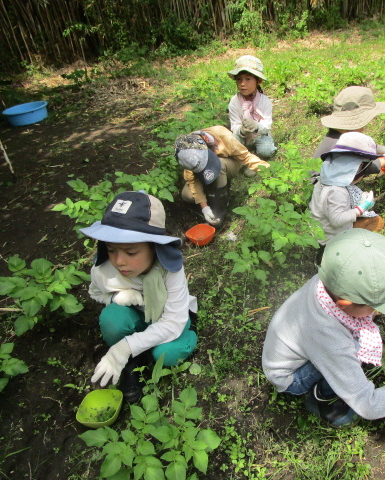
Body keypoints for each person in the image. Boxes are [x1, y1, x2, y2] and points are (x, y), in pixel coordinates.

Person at [262, 228, 385, 428]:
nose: (380, 310)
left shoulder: (335, 276)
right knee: (352, 353)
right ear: (346, 304)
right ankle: (322, 399)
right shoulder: (331, 340)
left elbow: (378, 282)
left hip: (306, 344)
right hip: (291, 377)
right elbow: (369, 405)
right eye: (378, 306)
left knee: (350, 349)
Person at [81, 191, 198, 403]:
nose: (119, 261)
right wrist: (117, 298)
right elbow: (95, 293)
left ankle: (188, 333)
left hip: (169, 318)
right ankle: (132, 363)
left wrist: (123, 348)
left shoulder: (169, 271)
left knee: (168, 353)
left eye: (131, 252)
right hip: (136, 316)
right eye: (112, 249)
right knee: (112, 321)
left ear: (155, 247)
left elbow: (172, 322)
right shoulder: (104, 271)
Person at [309, 131, 385, 262]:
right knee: (376, 221)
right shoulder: (337, 192)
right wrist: (361, 208)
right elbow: (337, 219)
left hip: (318, 230)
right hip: (332, 239)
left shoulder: (325, 180)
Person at [175, 126, 269, 227]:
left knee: (220, 165)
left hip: (228, 164)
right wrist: (205, 208)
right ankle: (210, 195)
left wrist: (269, 169)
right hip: (205, 173)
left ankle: (221, 202)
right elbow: (193, 181)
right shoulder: (186, 152)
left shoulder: (224, 137)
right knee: (188, 195)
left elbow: (246, 157)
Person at [313, 86, 385, 159]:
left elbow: (357, 149)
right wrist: (382, 163)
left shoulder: (337, 136)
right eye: (361, 126)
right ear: (349, 127)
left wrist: (374, 148)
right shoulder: (339, 146)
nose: (363, 129)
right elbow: (354, 167)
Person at [227, 55, 277, 160]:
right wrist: (241, 130)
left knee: (266, 150)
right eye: (239, 79)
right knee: (231, 144)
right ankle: (245, 158)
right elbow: (234, 125)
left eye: (248, 79)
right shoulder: (234, 101)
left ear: (258, 81)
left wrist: (256, 126)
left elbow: (267, 125)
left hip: (260, 135)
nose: (242, 84)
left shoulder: (265, 101)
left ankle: (256, 158)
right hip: (242, 137)